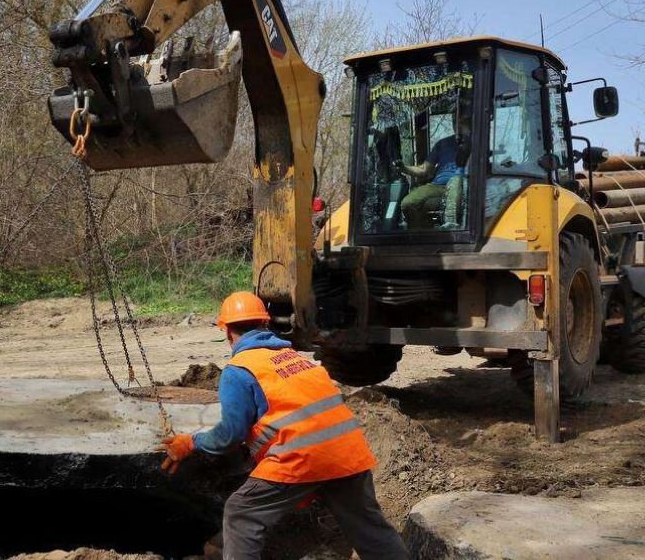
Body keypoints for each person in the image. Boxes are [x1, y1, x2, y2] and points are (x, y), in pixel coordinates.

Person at [159, 292, 408, 560]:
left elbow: (230, 435)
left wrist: (191, 442)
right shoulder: (297, 359)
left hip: (299, 459)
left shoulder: (239, 369)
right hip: (348, 455)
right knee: (369, 528)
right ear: (265, 325)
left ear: (227, 331)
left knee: (241, 513)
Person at [399, 118, 470, 229]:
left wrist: (467, 141)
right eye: (455, 120)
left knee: (456, 180)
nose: (458, 125)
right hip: (437, 186)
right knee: (408, 203)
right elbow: (423, 170)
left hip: (463, 184)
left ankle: (451, 225)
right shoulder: (442, 144)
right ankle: (418, 235)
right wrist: (402, 167)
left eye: (462, 121)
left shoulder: (476, 143)